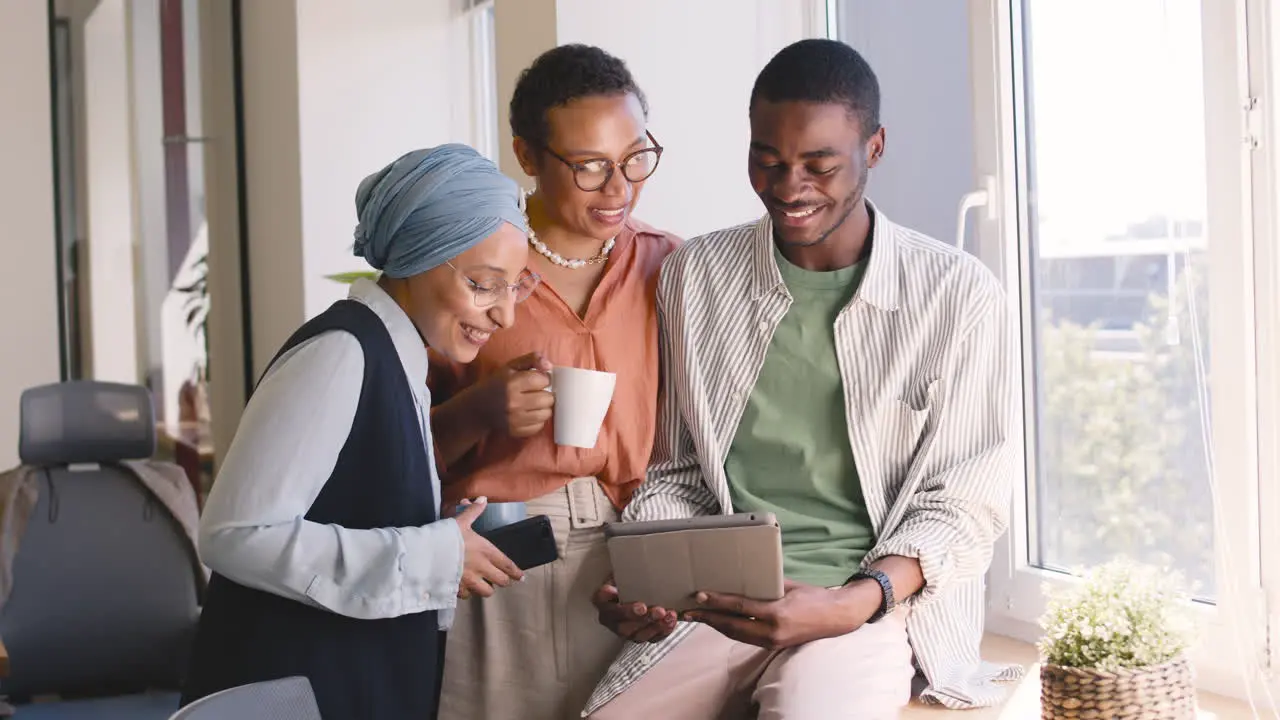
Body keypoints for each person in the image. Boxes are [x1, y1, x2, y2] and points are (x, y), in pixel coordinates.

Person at [585, 39, 1022, 719]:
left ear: (873, 148)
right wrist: (651, 578)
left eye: (820, 165)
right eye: (768, 160)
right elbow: (676, 473)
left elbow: (966, 503)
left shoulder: (957, 296)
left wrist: (856, 599)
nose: (789, 188)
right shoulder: (695, 277)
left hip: (868, 605)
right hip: (718, 598)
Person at [180, 144, 534, 719]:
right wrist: (430, 557)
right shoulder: (341, 354)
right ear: (419, 258)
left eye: (516, 286)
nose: (505, 314)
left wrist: (442, 539)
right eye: (483, 284)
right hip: (295, 692)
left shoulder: (398, 360)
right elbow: (233, 534)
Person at [431, 45, 681, 720]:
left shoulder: (671, 267)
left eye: (635, 157)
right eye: (591, 167)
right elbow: (391, 452)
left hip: (634, 555)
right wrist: (480, 412)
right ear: (528, 155)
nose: (620, 188)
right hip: (503, 553)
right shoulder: (470, 273)